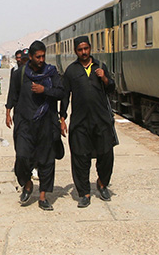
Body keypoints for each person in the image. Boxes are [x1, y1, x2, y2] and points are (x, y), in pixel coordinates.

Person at [5, 40, 64, 211]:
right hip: (24, 123)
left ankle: (43, 196)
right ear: (30, 57)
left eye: (43, 56)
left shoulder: (51, 73)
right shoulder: (20, 74)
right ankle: (28, 184)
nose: (41, 59)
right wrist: (8, 111)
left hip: (46, 123)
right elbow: (13, 94)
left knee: (47, 161)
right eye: (38, 57)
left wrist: (44, 90)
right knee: (22, 157)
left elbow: (61, 92)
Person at [60, 36, 117, 208]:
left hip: (101, 120)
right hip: (80, 121)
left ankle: (102, 183)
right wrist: (62, 118)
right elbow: (64, 96)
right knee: (80, 157)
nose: (84, 52)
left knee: (106, 154)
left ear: (90, 48)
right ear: (76, 51)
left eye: (86, 48)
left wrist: (105, 78)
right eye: (80, 49)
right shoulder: (71, 71)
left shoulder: (100, 67)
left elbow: (112, 88)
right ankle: (84, 193)